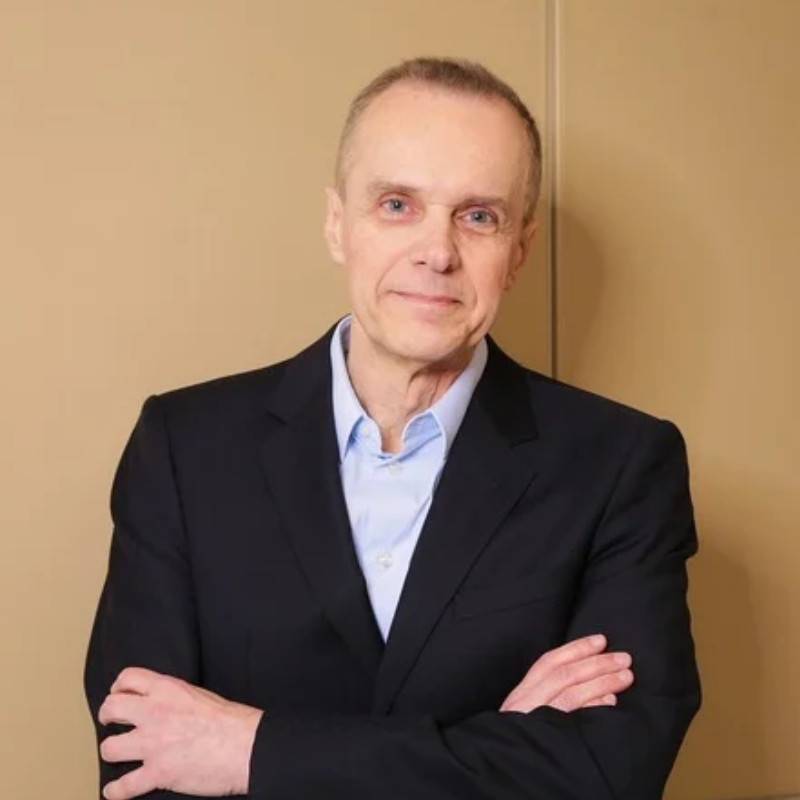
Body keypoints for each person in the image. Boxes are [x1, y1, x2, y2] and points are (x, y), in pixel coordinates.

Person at [85, 57, 700, 800]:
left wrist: (252, 750)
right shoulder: (183, 448)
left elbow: (610, 771)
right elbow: (139, 759)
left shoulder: (621, 465)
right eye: (398, 204)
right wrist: (498, 745)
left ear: (518, 253)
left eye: (478, 216)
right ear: (337, 224)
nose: (437, 253)